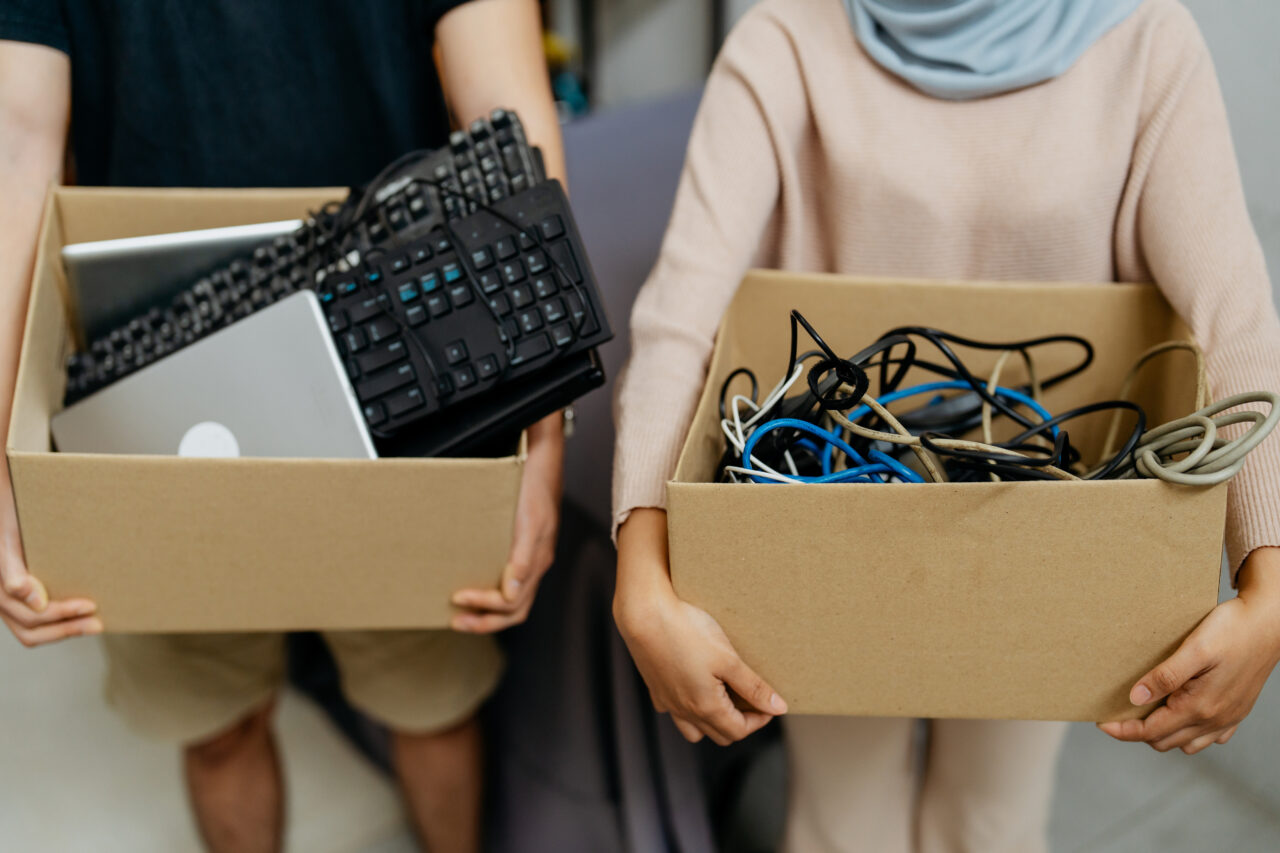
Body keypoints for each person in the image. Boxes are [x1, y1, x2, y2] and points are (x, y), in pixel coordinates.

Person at [611, 0, 1280, 850]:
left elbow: (1236, 320)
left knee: (991, 816)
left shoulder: (1146, 43)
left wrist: (1269, 578)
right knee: (839, 819)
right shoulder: (783, 38)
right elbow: (678, 317)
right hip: (823, 531)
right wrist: (642, 562)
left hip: (1048, 531)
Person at [0, 2, 565, 851]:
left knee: (431, 706)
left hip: (406, 341)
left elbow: (508, 110)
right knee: (218, 723)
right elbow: (15, 147)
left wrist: (546, 434)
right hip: (152, 371)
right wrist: (4, 458)